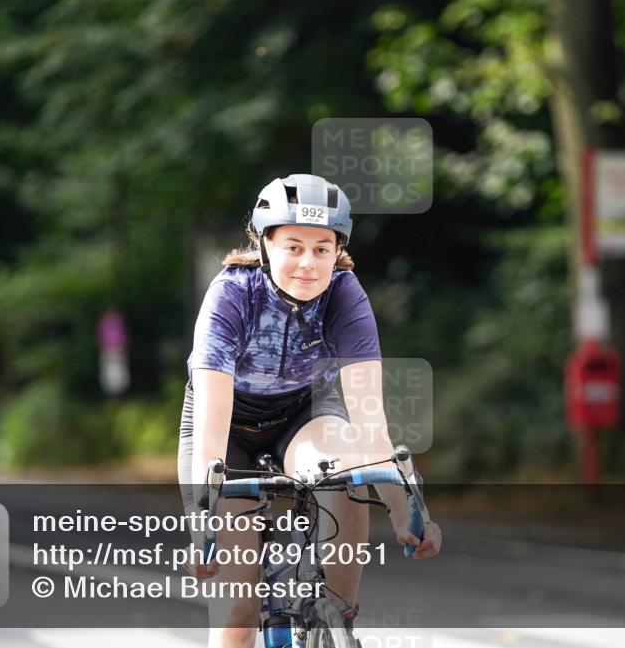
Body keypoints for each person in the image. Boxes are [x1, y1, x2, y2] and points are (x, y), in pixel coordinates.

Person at [178, 174, 442, 648]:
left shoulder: (345, 293)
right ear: (264, 246)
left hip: (303, 414)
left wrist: (407, 514)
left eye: (322, 249)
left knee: (344, 475)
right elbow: (212, 427)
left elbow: (369, 423)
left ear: (337, 251)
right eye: (294, 246)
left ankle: (337, 620)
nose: (308, 263)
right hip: (228, 429)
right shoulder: (231, 294)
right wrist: (204, 522)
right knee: (238, 612)